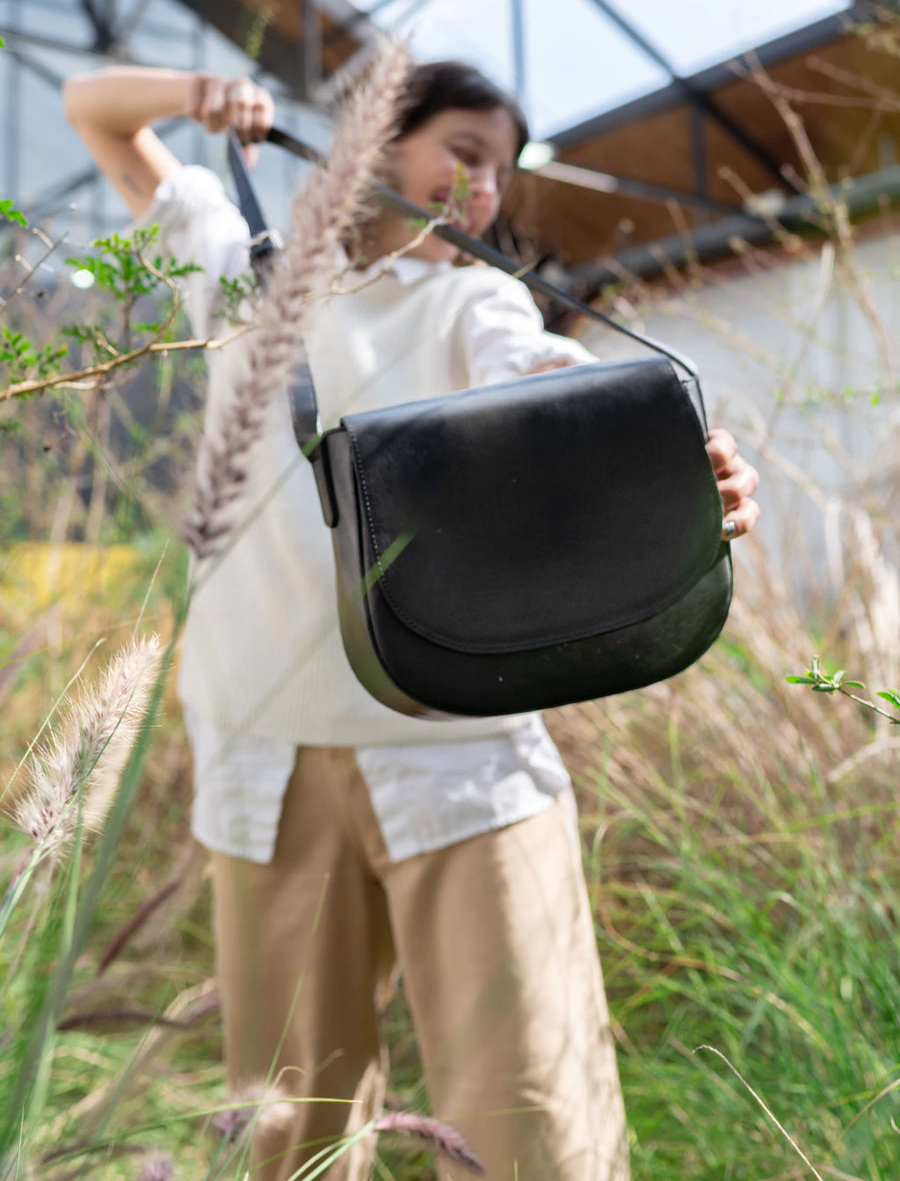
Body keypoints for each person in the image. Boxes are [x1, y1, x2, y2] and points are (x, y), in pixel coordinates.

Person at [63, 58, 761, 1181]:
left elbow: (550, 386)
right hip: (269, 756)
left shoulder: (474, 300)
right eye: (464, 153)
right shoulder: (243, 267)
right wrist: (196, 90)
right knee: (292, 1133)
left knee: (535, 1125)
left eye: (502, 172)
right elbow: (91, 111)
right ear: (378, 141)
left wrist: (672, 468)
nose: (484, 190)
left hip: (462, 758)